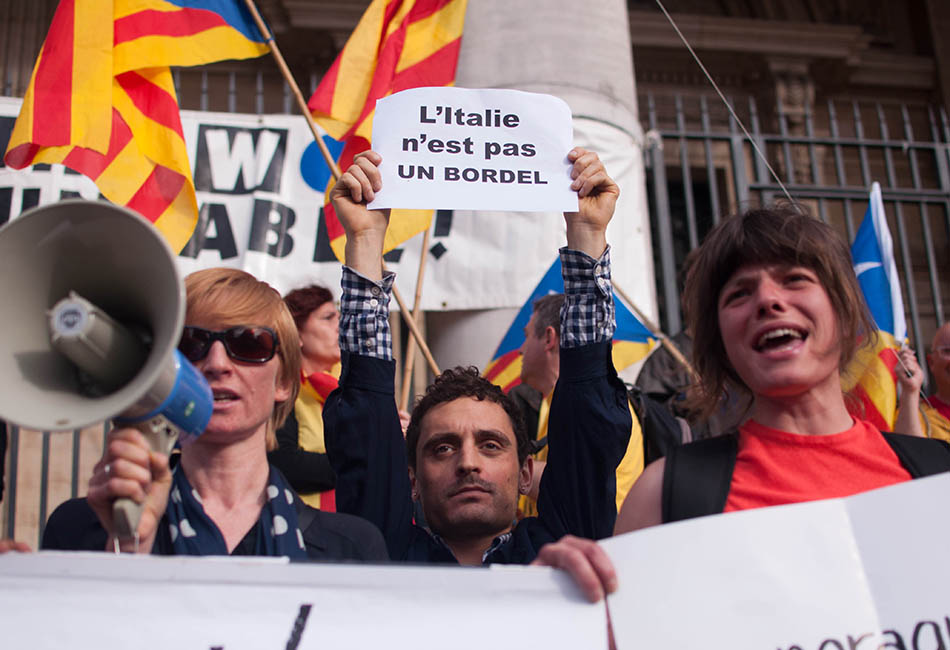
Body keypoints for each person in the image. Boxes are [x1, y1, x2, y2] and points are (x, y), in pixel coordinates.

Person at [323, 147, 632, 565]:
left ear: (526, 473)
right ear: (410, 479)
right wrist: (364, 239)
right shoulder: (387, 559)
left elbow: (589, 411)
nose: (468, 463)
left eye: (490, 445)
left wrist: (588, 234)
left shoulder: (562, 553)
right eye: (442, 449)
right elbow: (364, 421)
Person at [614, 205, 950, 532]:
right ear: (720, 343)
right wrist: (571, 583)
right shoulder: (661, 497)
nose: (767, 300)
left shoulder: (939, 474)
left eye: (794, 279)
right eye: (739, 294)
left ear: (844, 313)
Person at [42, 268, 387, 561]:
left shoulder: (352, 549)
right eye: (191, 343)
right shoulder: (81, 529)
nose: (218, 364)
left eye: (249, 343)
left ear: (283, 380)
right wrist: (128, 547)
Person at [513, 293, 644, 518]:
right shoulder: (550, 405)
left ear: (548, 338)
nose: (520, 349)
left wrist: (500, 469)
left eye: (526, 336)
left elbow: (573, 484)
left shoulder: (592, 402)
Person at [268, 284, 341, 510]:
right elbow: (286, 463)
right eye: (328, 318)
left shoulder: (355, 386)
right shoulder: (282, 389)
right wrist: (365, 460)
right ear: (297, 334)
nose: (341, 325)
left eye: (340, 316)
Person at [894, 324, 950, 441]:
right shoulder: (915, 415)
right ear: (931, 362)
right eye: (947, 351)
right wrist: (910, 391)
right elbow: (912, 453)